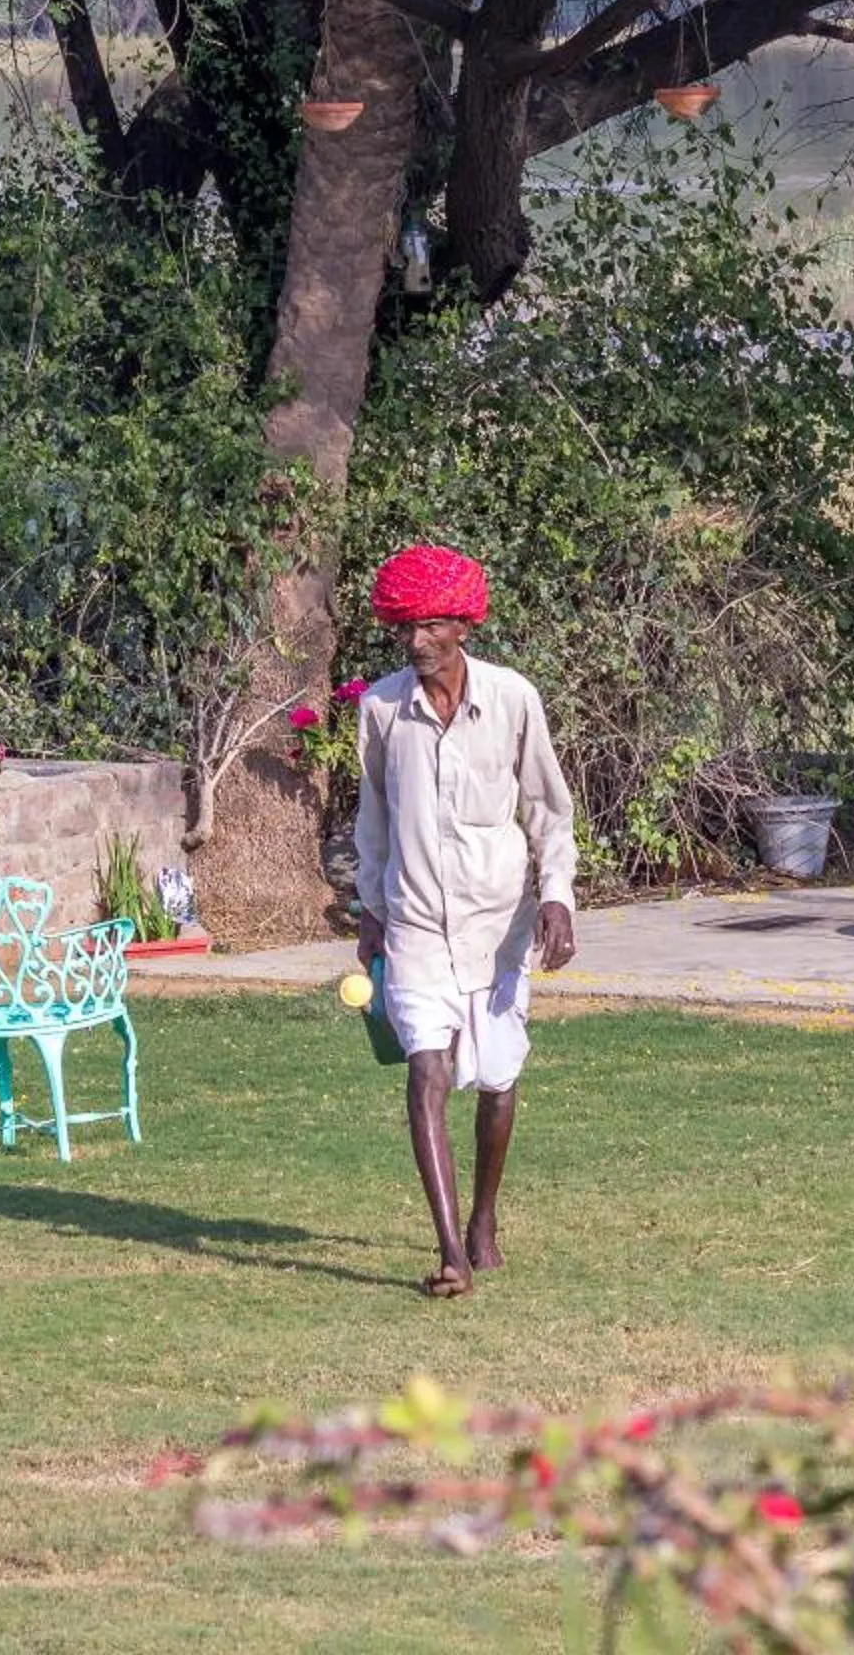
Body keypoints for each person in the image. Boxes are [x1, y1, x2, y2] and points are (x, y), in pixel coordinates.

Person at [351, 544, 578, 1299]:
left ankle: (483, 1218)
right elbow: (374, 820)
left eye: (429, 628)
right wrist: (372, 913)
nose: (416, 643)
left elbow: (548, 808)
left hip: (498, 926)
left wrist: (557, 897)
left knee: (499, 1078)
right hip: (415, 921)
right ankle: (450, 1250)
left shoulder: (514, 699)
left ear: (462, 626)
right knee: (427, 1071)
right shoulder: (382, 708)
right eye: (405, 629)